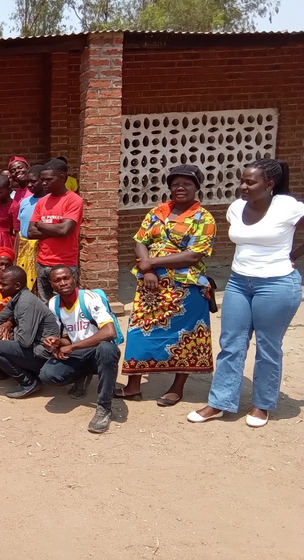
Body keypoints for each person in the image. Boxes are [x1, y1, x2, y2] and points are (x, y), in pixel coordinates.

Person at [189, 159, 304, 428]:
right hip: (239, 283)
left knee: (268, 346)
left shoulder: (286, 206)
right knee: (231, 343)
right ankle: (220, 402)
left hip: (276, 284)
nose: (243, 186)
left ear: (269, 184)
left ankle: (261, 405)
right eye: (242, 180)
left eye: (250, 182)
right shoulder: (236, 207)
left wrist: (295, 255)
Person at [117, 165, 216, 406]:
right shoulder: (156, 212)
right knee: (140, 331)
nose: (180, 187)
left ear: (197, 187)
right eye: (175, 183)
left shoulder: (204, 218)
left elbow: (194, 255)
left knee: (186, 335)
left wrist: (152, 262)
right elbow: (141, 240)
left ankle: (177, 387)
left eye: (187, 183)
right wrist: (148, 269)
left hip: (186, 287)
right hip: (150, 284)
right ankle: (133, 386)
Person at [42, 266, 120, 434]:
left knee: (107, 350)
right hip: (78, 352)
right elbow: (66, 337)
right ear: (51, 284)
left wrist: (72, 346)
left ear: (74, 278)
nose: (63, 283)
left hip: (97, 350)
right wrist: (56, 342)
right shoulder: (53, 304)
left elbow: (109, 332)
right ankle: (82, 376)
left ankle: (104, 407)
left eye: (66, 278)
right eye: (57, 280)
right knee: (47, 375)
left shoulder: (90, 298)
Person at [0, 266, 58, 398]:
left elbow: (25, 341)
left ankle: (29, 382)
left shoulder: (26, 303)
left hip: (42, 354)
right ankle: (27, 373)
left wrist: (10, 336)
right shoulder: (16, 299)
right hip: (32, 348)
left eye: (3, 284)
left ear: (17, 285)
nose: (0, 287)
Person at [28, 159, 84, 302]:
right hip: (42, 263)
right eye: (42, 180)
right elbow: (30, 232)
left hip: (65, 263)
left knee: (67, 303)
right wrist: (56, 229)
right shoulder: (42, 202)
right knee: (46, 304)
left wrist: (41, 225)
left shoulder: (73, 200)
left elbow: (65, 230)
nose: (43, 183)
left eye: (48, 180)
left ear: (62, 178)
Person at [12, 166, 46, 292]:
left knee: (39, 285)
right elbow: (19, 232)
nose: (30, 185)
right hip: (24, 248)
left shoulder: (48, 202)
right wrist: (15, 257)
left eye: (33, 181)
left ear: (42, 181)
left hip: (41, 248)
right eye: (28, 182)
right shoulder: (25, 202)